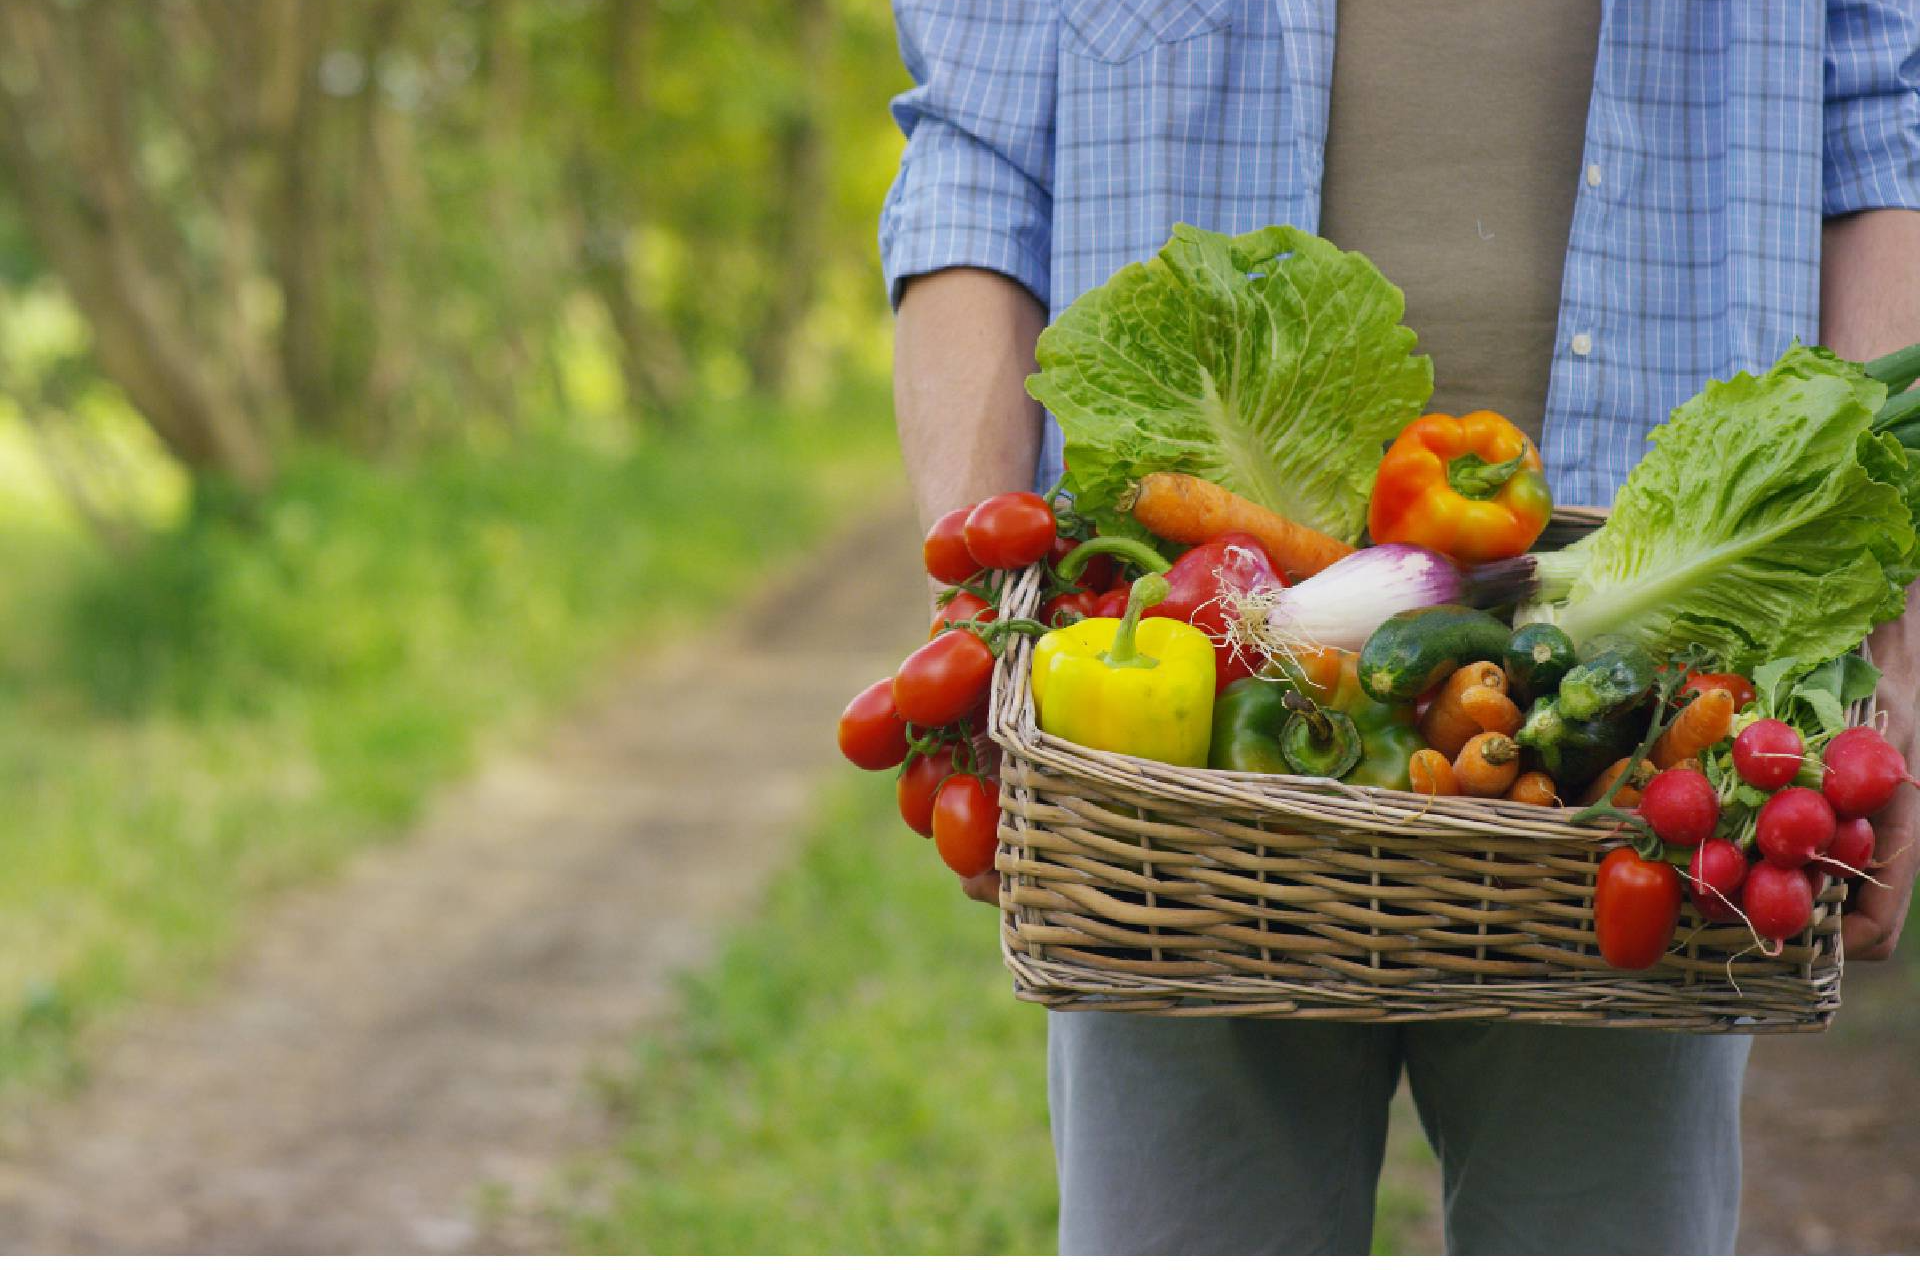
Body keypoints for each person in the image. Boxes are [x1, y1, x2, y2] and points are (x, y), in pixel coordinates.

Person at [880, 0, 1920, 1256]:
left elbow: (1882, 140)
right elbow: (974, 163)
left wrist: (1893, 649)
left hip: (1640, 725)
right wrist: (985, 621)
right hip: (1181, 714)